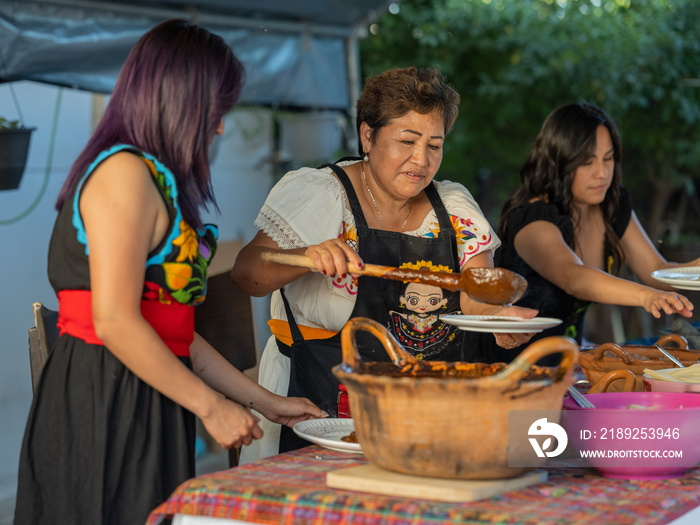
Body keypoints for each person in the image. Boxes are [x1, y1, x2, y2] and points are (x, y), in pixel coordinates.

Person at [14, 19, 324, 525]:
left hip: (146, 393)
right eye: (217, 108)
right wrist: (209, 406)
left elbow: (175, 335)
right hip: (106, 399)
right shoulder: (122, 173)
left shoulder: (154, 181)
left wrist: (268, 403)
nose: (221, 125)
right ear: (179, 97)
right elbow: (114, 320)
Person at [231, 67, 536, 462]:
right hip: (318, 409)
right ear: (368, 136)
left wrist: (499, 319)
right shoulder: (321, 195)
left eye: (435, 145)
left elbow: (477, 293)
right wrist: (303, 257)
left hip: (425, 414)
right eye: (407, 141)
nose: (421, 160)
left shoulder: (453, 208)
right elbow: (247, 274)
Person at [464, 102, 697, 365]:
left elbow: (658, 271)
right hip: (507, 369)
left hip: (568, 367)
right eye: (587, 162)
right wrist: (645, 296)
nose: (603, 173)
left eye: (608, 158)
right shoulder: (532, 218)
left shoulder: (612, 205)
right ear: (559, 163)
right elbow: (573, 278)